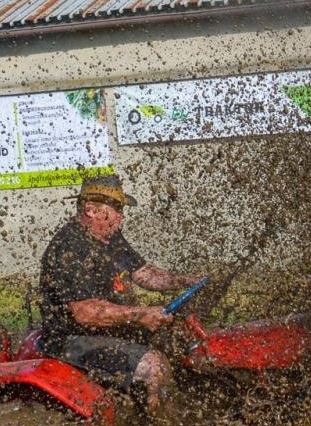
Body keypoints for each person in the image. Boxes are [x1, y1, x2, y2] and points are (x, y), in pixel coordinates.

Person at [37, 173, 203, 412]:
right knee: (152, 365)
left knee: (181, 339)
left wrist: (188, 281)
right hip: (70, 340)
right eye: (116, 208)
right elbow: (85, 312)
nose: (121, 216)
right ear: (91, 209)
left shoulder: (110, 238)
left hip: (109, 329)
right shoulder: (69, 248)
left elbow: (144, 273)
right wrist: (140, 315)